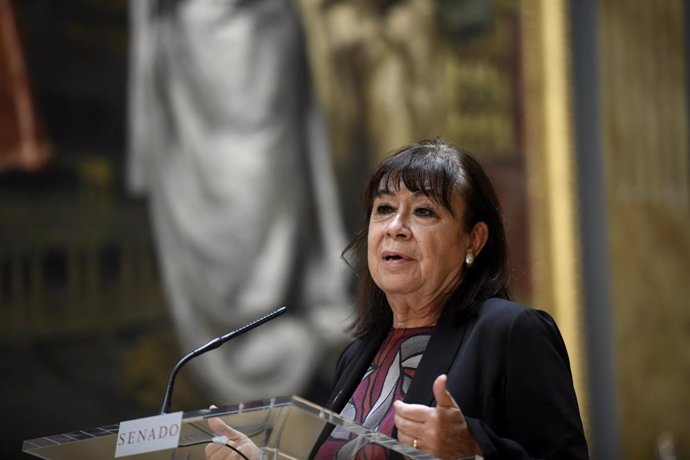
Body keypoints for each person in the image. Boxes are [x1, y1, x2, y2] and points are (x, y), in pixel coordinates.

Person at [205, 138, 589, 459]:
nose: (395, 228)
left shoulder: (511, 332)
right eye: (384, 209)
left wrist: (472, 452)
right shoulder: (357, 356)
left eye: (423, 211)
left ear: (474, 239)